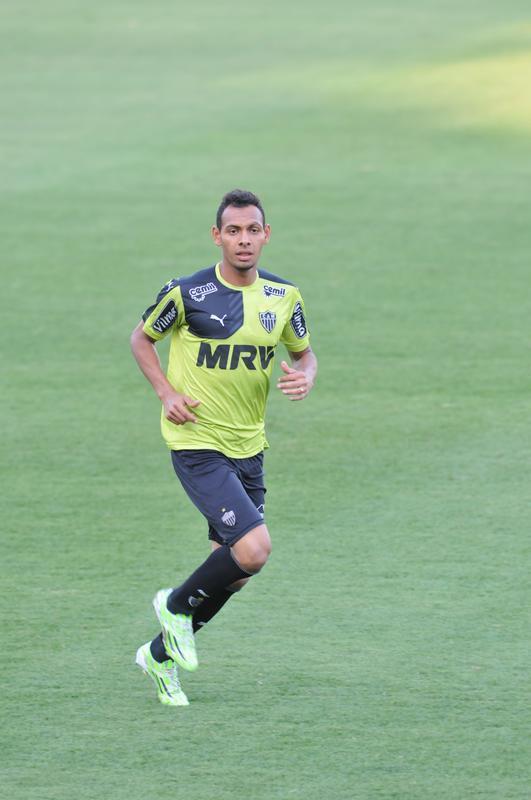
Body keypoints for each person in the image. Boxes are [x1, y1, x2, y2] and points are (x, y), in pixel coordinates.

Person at [131, 189, 317, 706]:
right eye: (233, 231)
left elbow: (305, 354)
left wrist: (305, 376)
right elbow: (141, 338)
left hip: (248, 446)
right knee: (255, 549)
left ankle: (159, 657)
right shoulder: (186, 293)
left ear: (266, 235)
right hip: (197, 441)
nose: (243, 240)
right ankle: (172, 607)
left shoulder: (284, 297)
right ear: (217, 236)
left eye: (252, 230)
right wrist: (166, 393)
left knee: (232, 575)